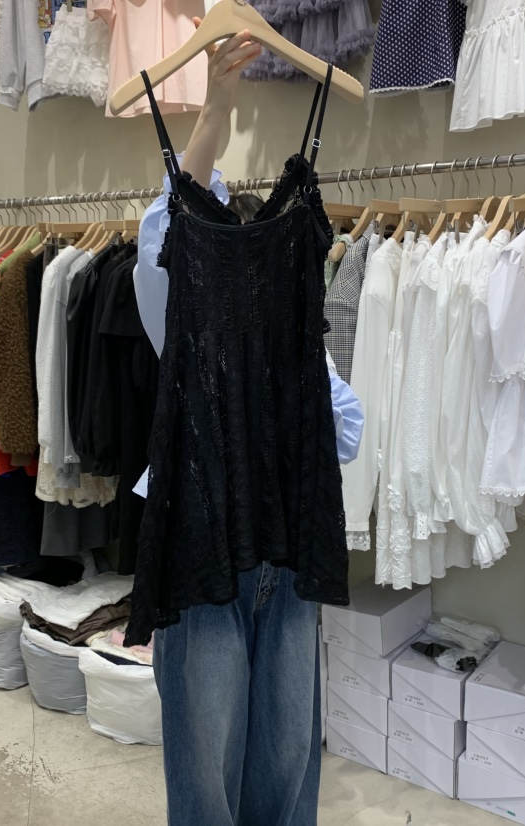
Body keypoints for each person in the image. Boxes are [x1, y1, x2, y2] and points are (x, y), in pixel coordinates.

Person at [132, 27, 364, 826]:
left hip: (290, 544)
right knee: (208, 777)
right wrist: (215, 111)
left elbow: (345, 427)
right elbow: (162, 233)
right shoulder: (175, 282)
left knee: (288, 765)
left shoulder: (292, 308)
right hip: (203, 550)